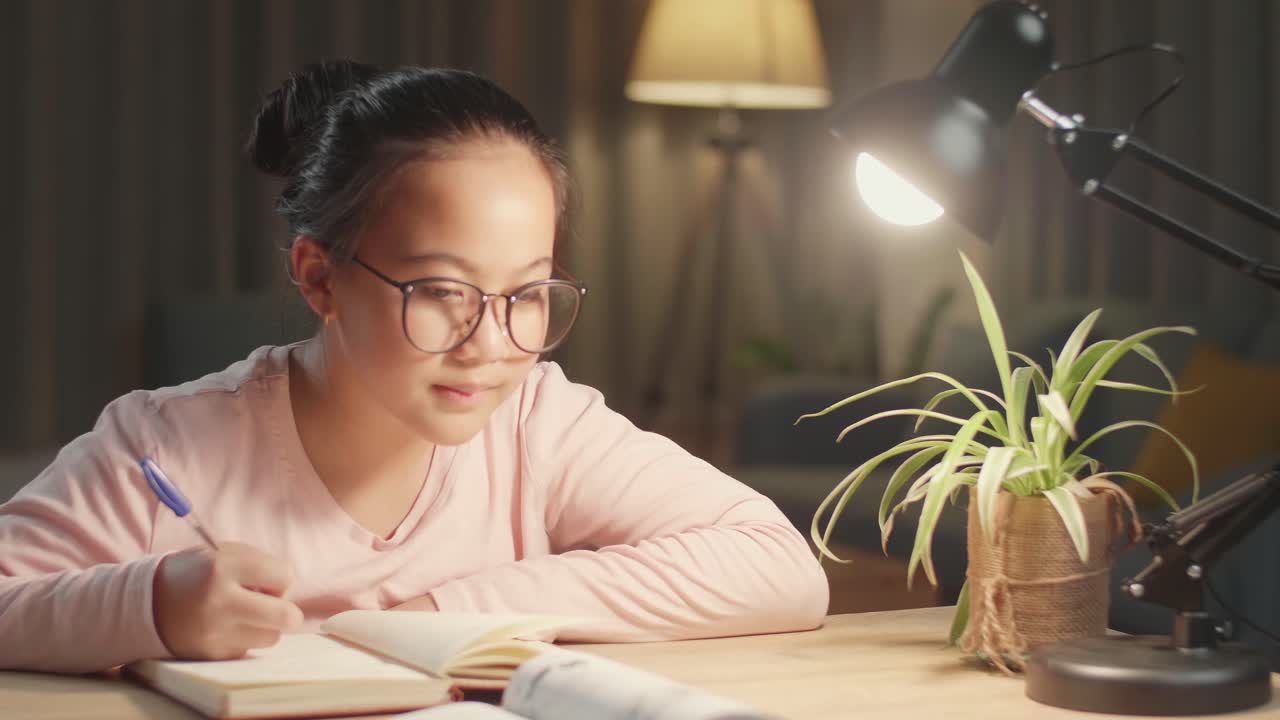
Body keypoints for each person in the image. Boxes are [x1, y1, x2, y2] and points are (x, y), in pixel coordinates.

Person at [0, 61, 828, 673]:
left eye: (529, 292)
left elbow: (777, 565)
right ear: (320, 276)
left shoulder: (536, 420)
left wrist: (442, 617)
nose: (491, 342)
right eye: (441, 290)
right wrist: (148, 605)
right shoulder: (163, 447)